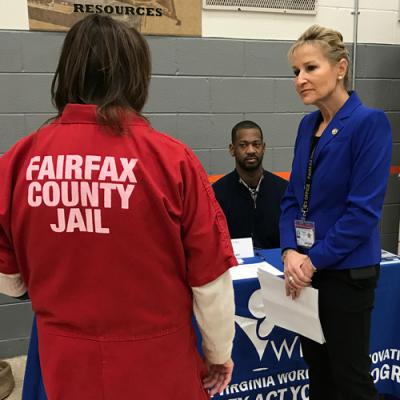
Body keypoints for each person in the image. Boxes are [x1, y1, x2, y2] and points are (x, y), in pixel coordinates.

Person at [0, 15, 237, 400]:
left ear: (68, 72)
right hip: (159, 365)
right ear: (136, 76)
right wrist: (219, 353)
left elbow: (10, 282)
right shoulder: (172, 160)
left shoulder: (18, 161)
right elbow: (210, 283)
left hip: (66, 365)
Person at [279, 25, 392, 400]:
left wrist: (311, 262)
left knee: (350, 379)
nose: (301, 79)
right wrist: (290, 251)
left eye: (310, 68)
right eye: (296, 72)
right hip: (308, 272)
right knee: (319, 376)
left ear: (340, 68)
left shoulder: (368, 123)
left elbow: (362, 214)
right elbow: (292, 198)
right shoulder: (306, 125)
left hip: (346, 274)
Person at [213, 120, 287, 249]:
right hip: (235, 266)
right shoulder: (217, 193)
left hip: (277, 265)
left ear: (263, 148)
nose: (251, 150)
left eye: (256, 144)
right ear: (232, 149)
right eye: (243, 145)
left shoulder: (284, 189)